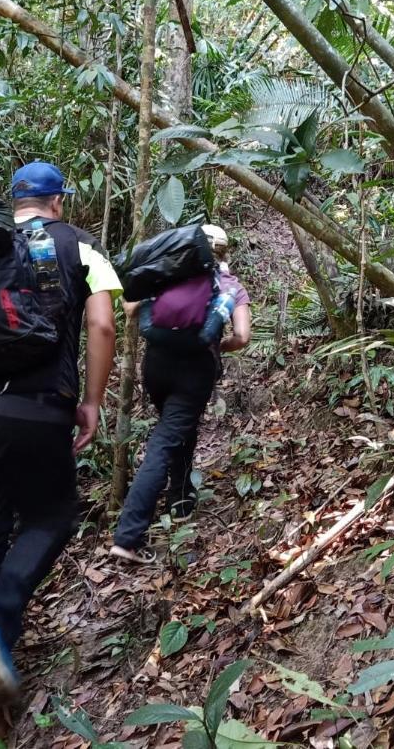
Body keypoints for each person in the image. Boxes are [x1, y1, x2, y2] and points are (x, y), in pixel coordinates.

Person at [0, 161, 121, 712]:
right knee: (50, 517)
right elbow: (102, 326)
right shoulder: (82, 246)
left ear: (15, 202)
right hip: (37, 408)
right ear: (57, 200)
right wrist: (91, 402)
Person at [111, 224, 251, 564]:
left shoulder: (168, 274)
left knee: (175, 429)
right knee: (166, 438)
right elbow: (243, 337)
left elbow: (130, 309)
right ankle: (128, 536)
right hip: (195, 368)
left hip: (157, 366)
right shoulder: (231, 286)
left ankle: (181, 498)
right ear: (225, 252)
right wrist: (217, 342)